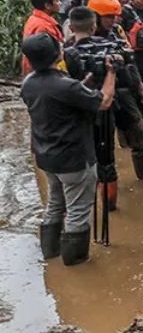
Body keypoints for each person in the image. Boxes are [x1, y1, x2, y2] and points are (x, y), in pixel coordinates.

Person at [21, 32, 116, 266]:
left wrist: (87, 83)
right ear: (58, 54)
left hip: (47, 157)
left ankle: (50, 255)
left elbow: (62, 98)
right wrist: (111, 73)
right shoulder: (66, 86)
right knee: (77, 211)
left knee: (55, 204)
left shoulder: (28, 83)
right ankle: (76, 264)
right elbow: (103, 102)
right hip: (74, 158)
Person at [87, 0, 143, 185]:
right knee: (103, 143)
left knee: (141, 134)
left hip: (125, 91)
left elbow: (130, 63)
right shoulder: (84, 41)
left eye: (114, 16)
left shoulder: (116, 33)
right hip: (100, 97)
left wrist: (140, 88)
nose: (113, 20)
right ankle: (106, 183)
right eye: (108, 16)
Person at [22, 0, 64, 75]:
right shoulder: (43, 26)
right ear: (47, 5)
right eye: (57, 0)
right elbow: (49, 54)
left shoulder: (35, 18)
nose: (60, 3)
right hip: (43, 71)